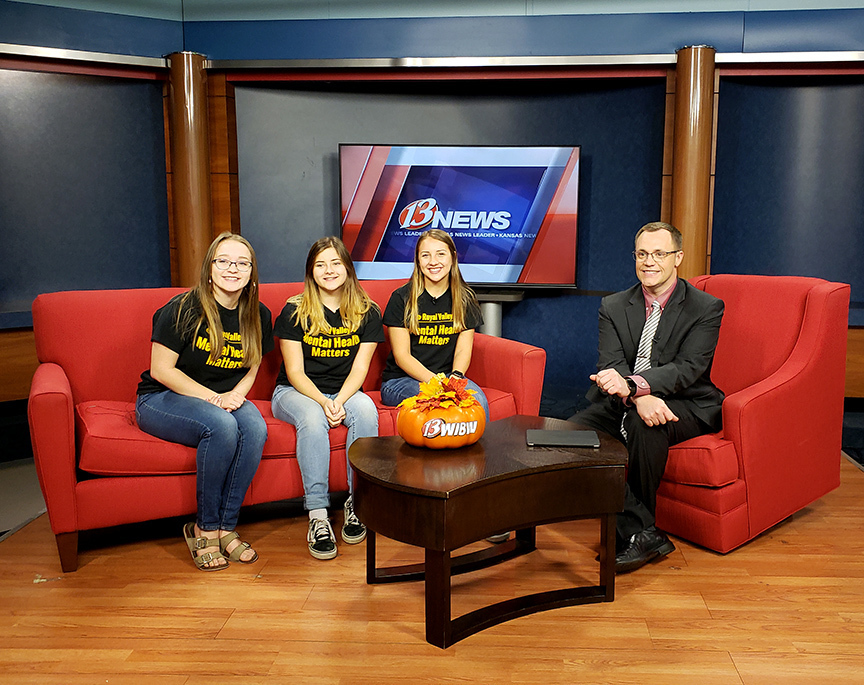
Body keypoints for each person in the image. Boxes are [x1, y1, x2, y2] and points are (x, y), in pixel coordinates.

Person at [570, 221, 724, 573]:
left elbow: (688, 368)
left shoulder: (706, 307)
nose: (649, 261)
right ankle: (643, 530)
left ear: (678, 258)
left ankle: (633, 533)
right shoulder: (613, 305)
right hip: (626, 397)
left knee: (645, 425)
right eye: (642, 253)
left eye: (659, 253)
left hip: (688, 401)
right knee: (570, 435)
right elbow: (610, 363)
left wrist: (636, 388)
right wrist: (638, 395)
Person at [136, 232, 273, 571]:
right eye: (224, 261)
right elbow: (161, 370)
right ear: (210, 267)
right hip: (162, 397)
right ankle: (205, 527)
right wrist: (216, 399)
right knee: (222, 426)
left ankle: (227, 527)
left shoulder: (258, 313)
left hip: (225, 396)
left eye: (242, 263)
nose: (233, 269)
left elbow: (253, 364)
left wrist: (238, 394)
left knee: (255, 427)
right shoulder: (182, 309)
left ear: (252, 272)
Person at [271, 237, 384, 560]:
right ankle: (318, 514)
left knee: (365, 411)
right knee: (311, 418)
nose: (329, 270)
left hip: (346, 390)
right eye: (320, 265)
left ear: (347, 269)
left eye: (335, 263)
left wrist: (339, 399)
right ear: (311, 272)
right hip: (295, 392)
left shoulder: (367, 312)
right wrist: (323, 402)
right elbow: (294, 372)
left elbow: (361, 368)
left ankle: (356, 504)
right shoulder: (294, 310)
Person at [380, 228, 490, 420]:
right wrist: (438, 384)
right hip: (401, 381)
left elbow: (463, 350)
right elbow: (402, 356)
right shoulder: (401, 298)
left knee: (478, 401)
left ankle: (482, 451)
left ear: (453, 257)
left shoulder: (465, 299)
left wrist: (455, 377)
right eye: (425, 255)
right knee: (440, 402)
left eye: (441, 254)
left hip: (448, 377)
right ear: (417, 260)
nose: (433, 262)